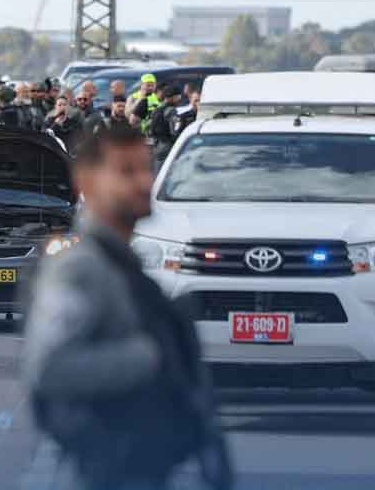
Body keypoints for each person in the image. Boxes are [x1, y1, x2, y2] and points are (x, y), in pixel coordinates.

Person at [22, 125, 231, 490]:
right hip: (102, 469)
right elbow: (52, 366)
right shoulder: (81, 266)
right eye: (126, 171)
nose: (143, 182)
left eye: (147, 168)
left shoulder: (121, 263)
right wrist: (149, 355)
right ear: (85, 182)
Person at [149, 84, 184, 170]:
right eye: (178, 96)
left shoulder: (157, 109)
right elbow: (174, 130)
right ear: (173, 97)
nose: (179, 99)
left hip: (157, 144)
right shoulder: (172, 110)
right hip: (167, 145)